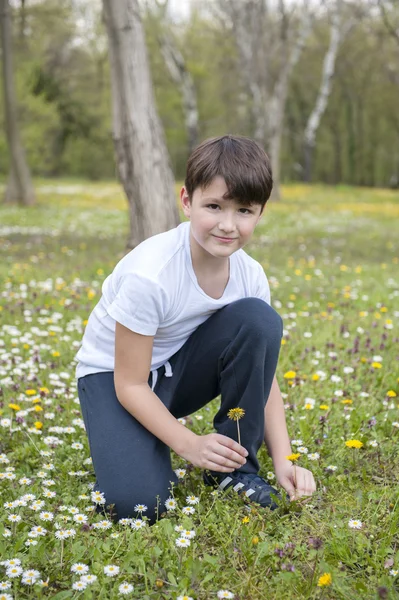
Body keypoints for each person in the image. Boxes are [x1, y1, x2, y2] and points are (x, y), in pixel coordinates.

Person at [75, 134, 316, 525]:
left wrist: (284, 459)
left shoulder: (250, 276)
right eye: (214, 206)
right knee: (135, 505)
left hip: (176, 374)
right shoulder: (150, 274)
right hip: (113, 379)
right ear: (186, 201)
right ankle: (141, 444)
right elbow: (130, 384)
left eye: (244, 210)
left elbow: (262, 374)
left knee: (259, 318)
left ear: (260, 213)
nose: (227, 225)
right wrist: (189, 445)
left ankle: (235, 470)